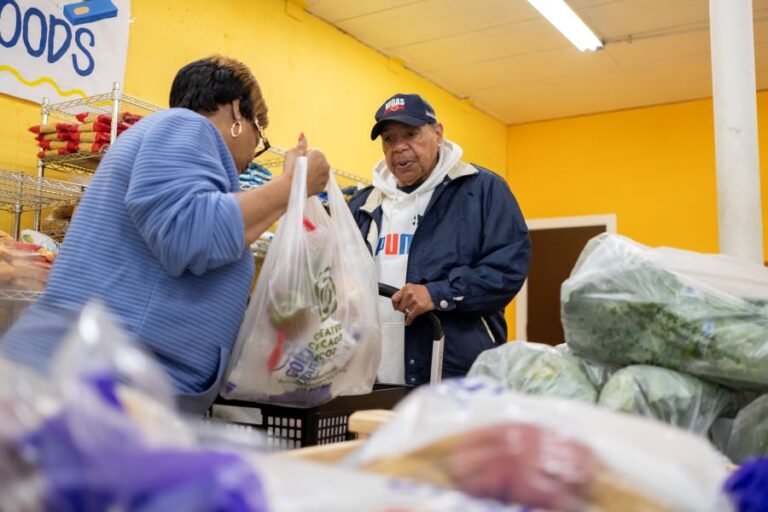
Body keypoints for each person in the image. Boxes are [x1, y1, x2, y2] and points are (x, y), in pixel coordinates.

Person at [1, 55, 330, 411]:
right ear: (237, 112)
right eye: (259, 132)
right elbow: (192, 236)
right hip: (94, 385)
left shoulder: (170, 140)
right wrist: (291, 185)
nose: (254, 152)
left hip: (102, 382)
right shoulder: (185, 127)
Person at [348, 93, 531, 386]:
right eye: (389, 139)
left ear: (438, 133)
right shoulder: (363, 205)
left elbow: (507, 269)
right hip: (372, 378)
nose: (399, 148)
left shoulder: (482, 190)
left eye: (411, 134)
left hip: (453, 377)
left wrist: (438, 293)